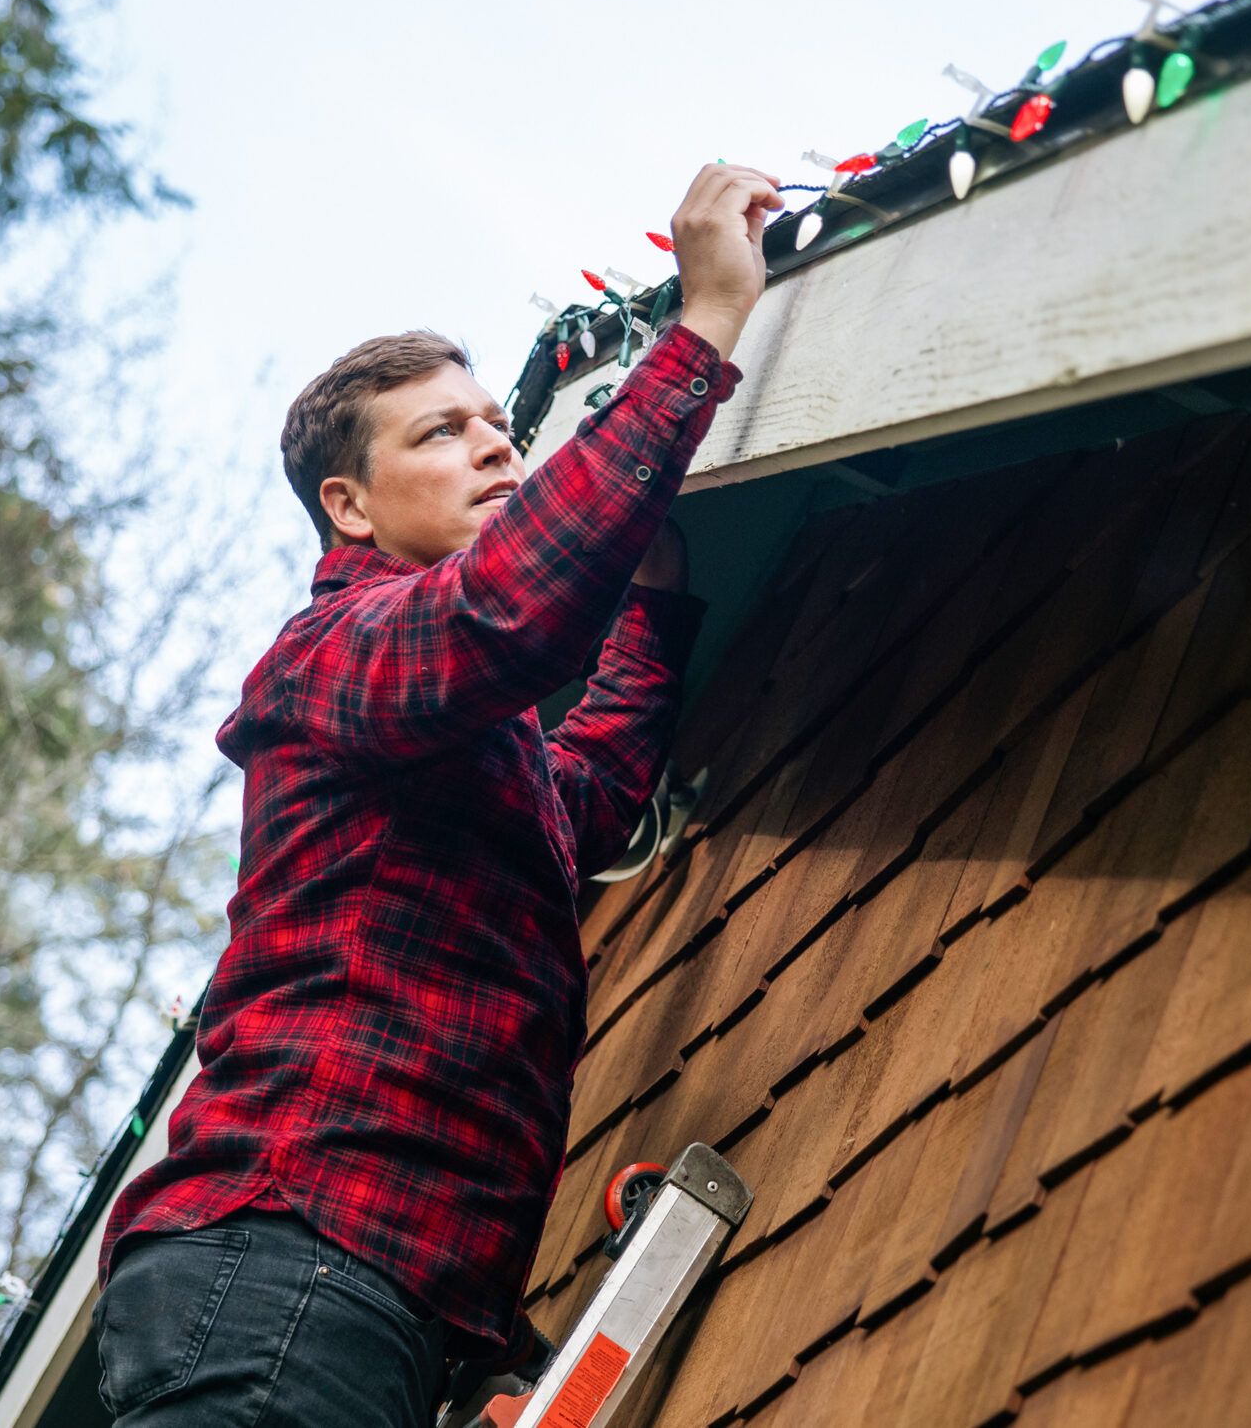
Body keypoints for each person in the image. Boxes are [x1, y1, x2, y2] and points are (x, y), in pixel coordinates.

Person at [91, 162, 785, 1427]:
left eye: (493, 421)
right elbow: (509, 609)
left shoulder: (465, 736)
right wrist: (703, 332)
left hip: (384, 1289)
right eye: (440, 433)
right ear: (345, 508)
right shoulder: (331, 661)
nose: (496, 442)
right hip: (286, 1251)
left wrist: (657, 601)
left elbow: (576, 809)